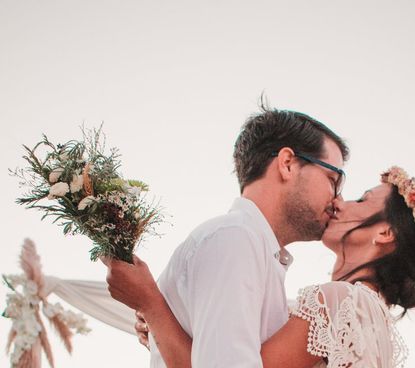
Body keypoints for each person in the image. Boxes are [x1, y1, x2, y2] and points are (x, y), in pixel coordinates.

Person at [105, 166, 415, 367]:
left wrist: (151, 304)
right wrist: (173, 322)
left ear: (384, 232)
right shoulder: (367, 318)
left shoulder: (338, 304)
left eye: (362, 200)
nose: (340, 203)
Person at [104, 104, 349, 367]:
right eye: (333, 180)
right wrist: (151, 307)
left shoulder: (252, 249)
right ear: (287, 164)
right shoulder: (235, 241)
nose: (339, 200)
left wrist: (153, 309)